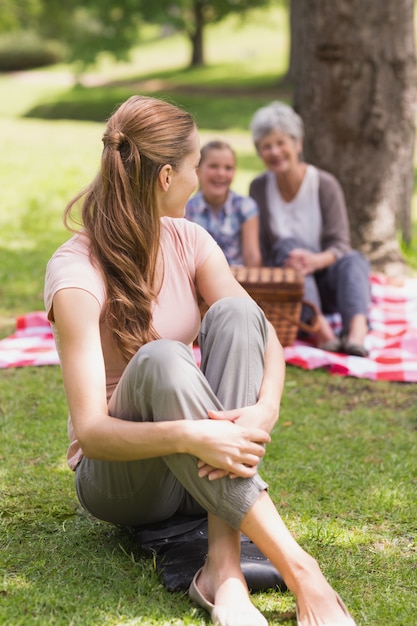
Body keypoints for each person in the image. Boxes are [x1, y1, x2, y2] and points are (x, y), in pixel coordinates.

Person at [44, 94, 356, 626]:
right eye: (194, 167)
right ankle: (305, 574)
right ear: (167, 175)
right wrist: (190, 436)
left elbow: (264, 336)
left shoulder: (190, 239)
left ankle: (224, 570)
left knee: (236, 315)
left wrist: (266, 410)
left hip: (201, 463)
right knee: (164, 358)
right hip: (123, 480)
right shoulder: (76, 271)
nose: (200, 178)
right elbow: (92, 432)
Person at [249, 101, 370, 357]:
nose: (275, 151)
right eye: (266, 146)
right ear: (259, 152)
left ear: (298, 144)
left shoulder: (324, 184)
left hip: (327, 282)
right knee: (287, 246)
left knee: (354, 259)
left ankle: (356, 333)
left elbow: (340, 243)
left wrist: (314, 261)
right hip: (291, 290)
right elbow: (262, 247)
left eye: (281, 143)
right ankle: (322, 331)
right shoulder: (258, 187)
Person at [186, 139, 262, 266]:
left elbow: (252, 256)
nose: (221, 173)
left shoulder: (245, 207)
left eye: (228, 168)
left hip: (237, 281)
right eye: (213, 166)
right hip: (199, 281)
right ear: (198, 170)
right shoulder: (188, 209)